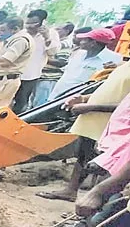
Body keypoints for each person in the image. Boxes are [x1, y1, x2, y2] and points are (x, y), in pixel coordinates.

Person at [37, 61, 130, 202]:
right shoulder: (124, 65)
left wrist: (91, 107)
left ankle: (93, 205)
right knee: (83, 155)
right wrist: (84, 99)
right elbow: (110, 90)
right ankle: (72, 192)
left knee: (105, 167)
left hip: (114, 125)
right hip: (96, 120)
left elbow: (125, 105)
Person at [48, 28, 123, 101]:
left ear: (93, 43)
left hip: (74, 100)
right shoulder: (79, 53)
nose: (81, 42)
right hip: (56, 96)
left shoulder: (113, 59)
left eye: (84, 40)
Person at [12, 9, 61, 114]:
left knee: (21, 103)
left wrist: (47, 37)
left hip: (30, 75)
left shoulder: (51, 34)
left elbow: (53, 52)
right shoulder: (21, 33)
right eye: (27, 23)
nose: (29, 26)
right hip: (13, 73)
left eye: (33, 23)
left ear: (43, 22)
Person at [0, 16, 34, 108]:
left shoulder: (21, 40)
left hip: (3, 82)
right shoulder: (10, 41)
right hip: (0, 81)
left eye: (3, 30)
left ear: (15, 29)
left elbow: (4, 62)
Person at [32, 23, 75, 108]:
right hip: (40, 76)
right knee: (34, 101)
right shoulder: (54, 41)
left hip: (49, 78)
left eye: (59, 29)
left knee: (40, 104)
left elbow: (61, 62)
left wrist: (42, 59)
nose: (55, 30)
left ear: (67, 31)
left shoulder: (65, 44)